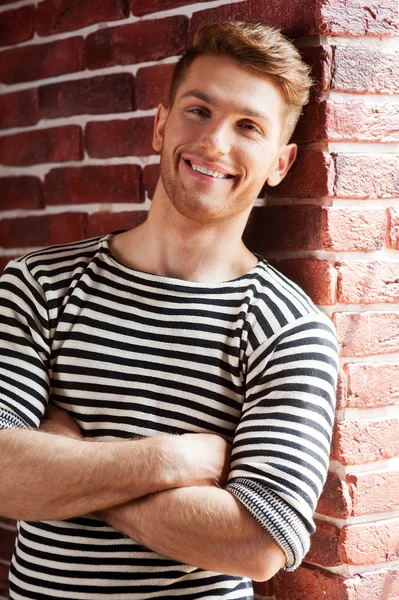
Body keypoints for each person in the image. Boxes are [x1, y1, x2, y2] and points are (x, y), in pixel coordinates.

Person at [0, 21, 338, 600]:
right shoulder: (38, 283)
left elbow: (259, 545)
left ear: (279, 164)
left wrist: (70, 462)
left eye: (249, 126)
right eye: (198, 111)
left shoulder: (290, 329)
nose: (214, 144)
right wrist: (168, 459)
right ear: (161, 124)